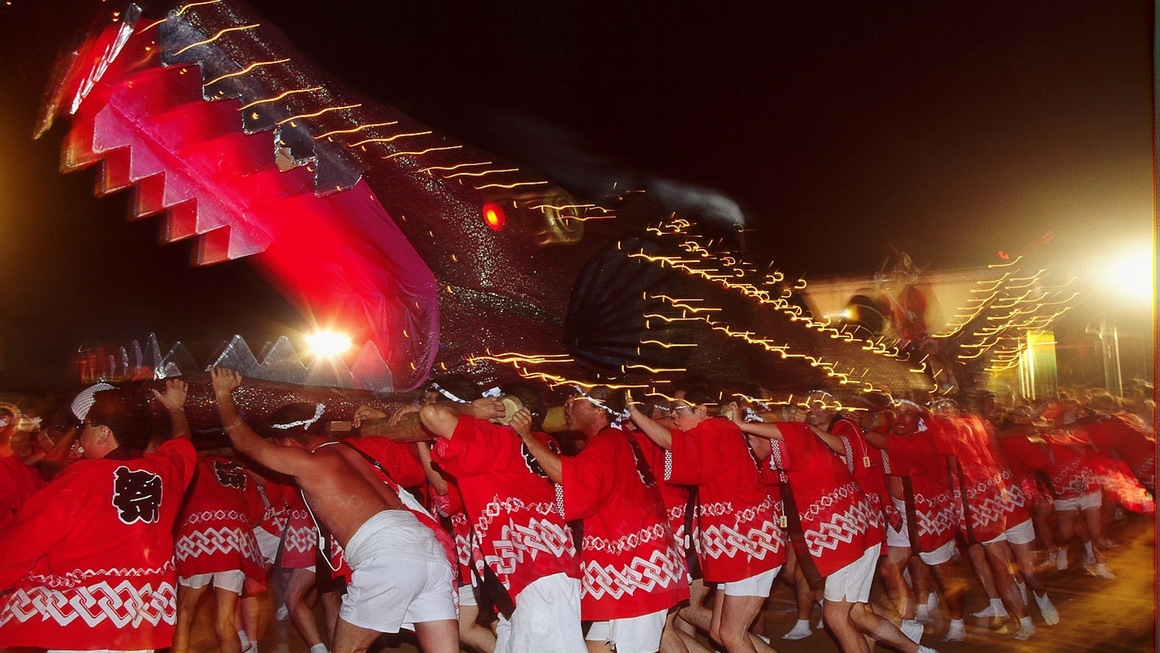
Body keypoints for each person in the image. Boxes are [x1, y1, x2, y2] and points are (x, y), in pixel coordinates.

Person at [209, 367, 458, 653]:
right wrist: (379, 415)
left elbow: (244, 442)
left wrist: (223, 393)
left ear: (289, 444)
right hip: (430, 551)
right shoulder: (360, 450)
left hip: (388, 556)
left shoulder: (308, 462)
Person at [0, 380, 197, 652]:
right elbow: (183, 445)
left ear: (103, 432)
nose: (80, 438)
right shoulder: (165, 472)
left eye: (83, 428)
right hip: (138, 627)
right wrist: (177, 409)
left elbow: (25, 540)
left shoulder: (82, 477)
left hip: (81, 628)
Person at [727, 403, 934, 653]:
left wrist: (740, 424)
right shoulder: (783, 453)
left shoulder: (807, 432)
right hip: (854, 532)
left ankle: (915, 642)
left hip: (850, 533)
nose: (749, 449)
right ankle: (918, 648)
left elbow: (807, 434)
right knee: (856, 613)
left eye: (750, 442)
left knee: (836, 617)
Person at [517, 385, 688, 653]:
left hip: (636, 570)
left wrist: (526, 436)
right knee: (597, 647)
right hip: (631, 567)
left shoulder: (608, 443)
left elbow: (568, 476)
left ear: (599, 411)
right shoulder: (615, 440)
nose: (568, 404)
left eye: (576, 399)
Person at [420, 383, 587, 653]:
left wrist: (470, 410)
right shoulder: (545, 443)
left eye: (496, 403)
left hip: (535, 573)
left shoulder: (495, 439)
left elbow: (432, 415)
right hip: (539, 570)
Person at [628, 382, 783, 653]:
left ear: (702, 410)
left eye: (678, 409)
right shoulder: (713, 431)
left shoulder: (714, 429)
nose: (673, 416)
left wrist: (634, 412)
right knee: (720, 632)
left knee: (732, 635)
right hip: (737, 544)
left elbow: (670, 443)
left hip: (750, 543)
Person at [172, 452, 267, 653]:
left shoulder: (193, 466)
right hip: (235, 540)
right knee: (226, 621)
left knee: (184, 613)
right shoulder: (240, 471)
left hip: (199, 537)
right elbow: (257, 515)